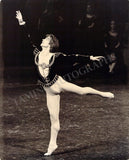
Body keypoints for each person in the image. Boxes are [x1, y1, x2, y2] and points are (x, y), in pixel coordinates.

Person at [16, 10, 114, 156]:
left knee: (81, 91)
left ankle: (101, 93)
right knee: (53, 119)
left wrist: (91, 58)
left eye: (45, 39)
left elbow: (72, 57)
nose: (42, 39)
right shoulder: (36, 53)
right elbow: (27, 37)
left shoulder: (56, 56)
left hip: (58, 84)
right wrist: (21, 22)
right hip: (49, 90)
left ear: (50, 43)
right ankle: (52, 144)